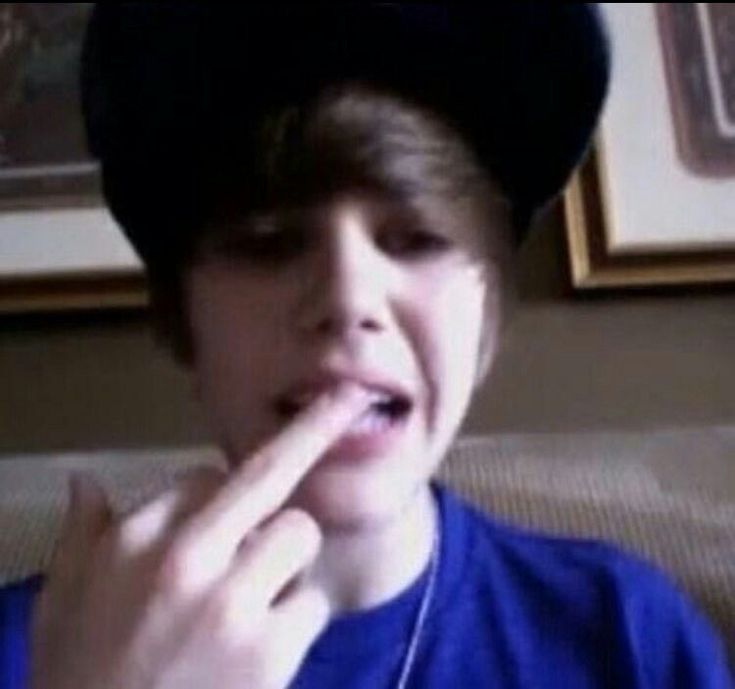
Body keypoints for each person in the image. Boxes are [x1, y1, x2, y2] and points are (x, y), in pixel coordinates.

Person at [1, 4, 732, 688]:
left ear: (482, 324)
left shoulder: (624, 633)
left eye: (416, 240)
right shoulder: (29, 647)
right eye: (267, 244)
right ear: (184, 322)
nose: (349, 299)